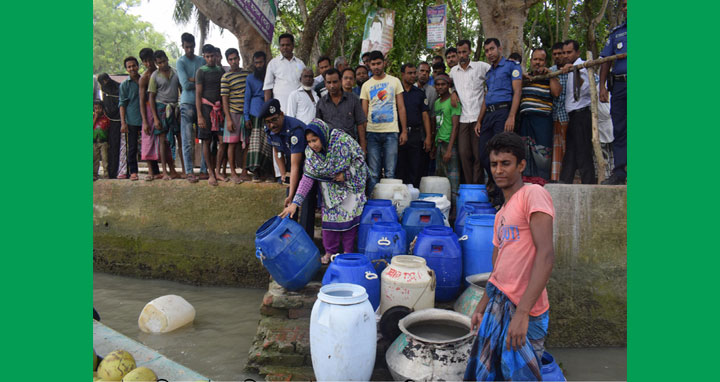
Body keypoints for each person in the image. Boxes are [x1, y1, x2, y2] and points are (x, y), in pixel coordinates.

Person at [464, 131, 555, 381]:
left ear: (521, 165)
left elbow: (546, 256)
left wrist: (522, 313)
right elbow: (498, 271)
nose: (499, 170)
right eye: (494, 164)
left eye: (506, 163)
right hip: (498, 305)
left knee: (522, 375)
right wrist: (481, 308)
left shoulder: (532, 195)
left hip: (527, 309)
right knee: (496, 374)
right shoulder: (500, 214)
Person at [279, 119, 368, 264]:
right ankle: (329, 252)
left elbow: (359, 158)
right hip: (329, 187)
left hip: (350, 183)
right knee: (328, 221)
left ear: (323, 135)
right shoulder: (311, 155)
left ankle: (347, 253)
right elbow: (307, 179)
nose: (312, 145)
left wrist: (345, 175)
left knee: (348, 221)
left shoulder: (342, 141)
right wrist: (295, 203)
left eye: (315, 140)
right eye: (309, 142)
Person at [474, 38, 523, 204]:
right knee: (483, 155)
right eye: (487, 51)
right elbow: (486, 98)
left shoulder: (512, 66)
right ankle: (496, 185)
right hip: (488, 115)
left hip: (503, 112)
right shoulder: (489, 73)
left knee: (501, 153)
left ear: (500, 49)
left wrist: (511, 116)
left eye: (492, 49)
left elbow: (517, 92)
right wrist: (479, 120)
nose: (489, 53)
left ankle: (503, 198)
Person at [260, 99, 315, 238]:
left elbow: (297, 165)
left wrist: (292, 195)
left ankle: (306, 239)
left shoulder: (295, 130)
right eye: (268, 122)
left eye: (275, 119)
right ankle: (291, 239)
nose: (272, 125)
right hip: (293, 164)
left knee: (305, 203)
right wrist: (283, 171)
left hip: (309, 165)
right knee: (290, 207)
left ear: (282, 115)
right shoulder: (270, 129)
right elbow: (276, 149)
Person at [360, 50, 408, 192]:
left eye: (378, 63)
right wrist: (364, 138)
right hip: (372, 133)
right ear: (369, 65)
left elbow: (401, 107)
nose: (376, 67)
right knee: (373, 173)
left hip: (391, 132)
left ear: (384, 63)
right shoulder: (366, 86)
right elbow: (364, 113)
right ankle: (375, 206)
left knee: (390, 173)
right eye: (373, 64)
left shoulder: (395, 81)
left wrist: (404, 131)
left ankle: (389, 205)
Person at [450, 39, 491, 185]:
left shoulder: (481, 67)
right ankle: (468, 186)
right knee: (463, 154)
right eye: (459, 52)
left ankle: (478, 187)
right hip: (462, 119)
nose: (462, 55)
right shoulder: (453, 71)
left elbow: (497, 73)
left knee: (478, 155)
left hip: (478, 118)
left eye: (464, 52)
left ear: (470, 52)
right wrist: (453, 92)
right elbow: (449, 85)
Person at [517, 48, 560, 182]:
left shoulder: (550, 77)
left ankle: (542, 180)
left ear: (545, 61)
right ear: (531, 61)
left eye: (541, 60)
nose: (538, 62)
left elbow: (557, 92)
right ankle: (527, 180)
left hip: (542, 121)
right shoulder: (526, 78)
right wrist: (522, 79)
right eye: (535, 59)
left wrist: (551, 75)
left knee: (542, 152)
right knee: (525, 152)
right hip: (525, 120)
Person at [559, 40, 596, 184]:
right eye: (564, 53)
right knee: (571, 152)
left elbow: (587, 89)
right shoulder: (569, 69)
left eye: (569, 52)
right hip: (573, 116)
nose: (566, 55)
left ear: (577, 53)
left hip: (582, 114)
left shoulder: (582, 67)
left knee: (583, 152)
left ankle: (589, 183)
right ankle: (565, 181)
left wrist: (575, 71)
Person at [599, 0, 627, 185]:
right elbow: (606, 60)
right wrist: (602, 85)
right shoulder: (617, 33)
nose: (625, 8)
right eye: (623, 5)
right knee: (620, 128)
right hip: (620, 86)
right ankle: (620, 172)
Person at [177, 32, 207, 183]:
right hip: (187, 103)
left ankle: (203, 170)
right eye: (186, 47)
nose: (189, 50)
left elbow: (205, 81)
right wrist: (198, 80)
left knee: (205, 138)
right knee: (187, 139)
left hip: (202, 104)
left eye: (191, 47)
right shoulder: (180, 62)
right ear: (182, 46)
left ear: (195, 46)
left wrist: (193, 80)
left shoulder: (202, 60)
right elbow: (185, 85)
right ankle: (189, 171)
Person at [148, 49, 182, 180]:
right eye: (159, 63)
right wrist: (155, 118)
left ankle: (183, 170)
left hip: (174, 108)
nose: (162, 64)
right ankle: (165, 171)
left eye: (164, 61)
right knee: (162, 141)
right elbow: (151, 97)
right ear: (156, 63)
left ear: (167, 59)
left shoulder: (175, 72)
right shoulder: (154, 76)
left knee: (179, 137)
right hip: (161, 108)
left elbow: (181, 89)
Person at [396, 63, 432, 187]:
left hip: (416, 135)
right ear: (402, 74)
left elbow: (425, 115)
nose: (413, 76)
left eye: (414, 73)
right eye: (409, 73)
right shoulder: (396, 92)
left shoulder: (419, 93)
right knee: (400, 168)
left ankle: (413, 196)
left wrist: (428, 137)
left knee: (415, 168)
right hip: (399, 134)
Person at [195, 43, 226, 186]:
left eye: (212, 56)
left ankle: (218, 171)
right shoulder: (201, 71)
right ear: (204, 57)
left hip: (219, 110)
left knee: (222, 141)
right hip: (206, 110)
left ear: (216, 55)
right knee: (206, 141)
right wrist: (200, 115)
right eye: (207, 57)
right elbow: (198, 94)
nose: (210, 59)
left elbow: (224, 93)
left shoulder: (220, 71)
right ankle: (211, 173)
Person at [221, 47, 252, 184]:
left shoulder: (247, 74)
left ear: (239, 58)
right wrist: (228, 119)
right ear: (227, 61)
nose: (233, 61)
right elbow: (224, 99)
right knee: (231, 145)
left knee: (247, 143)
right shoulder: (225, 77)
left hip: (246, 114)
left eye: (235, 58)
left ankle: (244, 171)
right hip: (232, 114)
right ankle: (233, 172)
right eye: (230, 59)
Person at [315, 68, 367, 148]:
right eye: (329, 82)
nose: (332, 86)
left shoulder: (353, 99)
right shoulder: (321, 103)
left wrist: (363, 147)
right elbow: (319, 127)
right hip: (330, 149)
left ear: (340, 81)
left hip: (350, 147)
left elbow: (360, 124)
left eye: (335, 82)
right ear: (325, 83)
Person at [244, 51, 275, 183]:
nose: (259, 65)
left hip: (269, 111)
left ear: (265, 62)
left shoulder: (271, 76)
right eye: (256, 63)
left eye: (261, 62)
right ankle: (256, 172)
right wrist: (246, 117)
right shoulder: (250, 78)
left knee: (268, 143)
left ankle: (268, 172)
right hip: (255, 112)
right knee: (256, 144)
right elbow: (247, 98)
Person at [433, 74, 461, 202]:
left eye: (443, 84)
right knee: (440, 179)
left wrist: (449, 149)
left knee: (453, 179)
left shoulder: (453, 101)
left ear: (448, 85)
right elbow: (437, 126)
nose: (440, 87)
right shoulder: (437, 103)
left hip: (449, 144)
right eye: (437, 85)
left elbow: (455, 126)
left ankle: (455, 209)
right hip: (439, 144)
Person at [263, 33, 305, 112]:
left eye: (288, 45)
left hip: (299, 107)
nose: (285, 47)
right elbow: (267, 88)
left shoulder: (300, 64)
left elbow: (305, 83)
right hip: (280, 108)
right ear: (279, 47)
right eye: (282, 45)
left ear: (293, 46)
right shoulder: (273, 63)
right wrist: (268, 110)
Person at [138, 48, 161, 181]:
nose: (148, 63)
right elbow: (141, 101)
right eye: (145, 62)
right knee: (148, 139)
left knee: (162, 140)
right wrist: (145, 121)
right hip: (148, 110)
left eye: (150, 60)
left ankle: (162, 170)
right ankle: (151, 171)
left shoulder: (160, 72)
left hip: (161, 108)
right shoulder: (144, 78)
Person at [119, 56, 143, 181]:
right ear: (126, 69)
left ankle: (154, 170)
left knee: (149, 145)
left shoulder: (144, 80)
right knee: (132, 147)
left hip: (146, 119)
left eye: (134, 65)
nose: (132, 68)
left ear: (138, 66)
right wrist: (123, 122)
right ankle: (133, 171)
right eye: (129, 67)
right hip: (131, 120)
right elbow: (122, 104)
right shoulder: (124, 84)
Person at [548, 42, 569, 182]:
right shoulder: (550, 70)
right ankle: (556, 179)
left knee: (569, 149)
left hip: (568, 115)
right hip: (554, 115)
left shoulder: (574, 68)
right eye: (554, 54)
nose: (557, 56)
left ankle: (568, 178)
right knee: (556, 150)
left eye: (560, 53)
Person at [97, 73, 123, 178]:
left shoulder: (118, 87)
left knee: (117, 147)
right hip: (107, 122)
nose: (105, 83)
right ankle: (109, 173)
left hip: (118, 120)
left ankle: (117, 171)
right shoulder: (104, 89)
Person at [93, 100, 110, 180]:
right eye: (95, 108)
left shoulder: (106, 118)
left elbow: (108, 129)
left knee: (105, 159)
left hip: (103, 142)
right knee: (95, 159)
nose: (97, 110)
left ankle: (106, 175)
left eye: (99, 108)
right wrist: (95, 118)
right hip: (94, 142)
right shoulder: (93, 118)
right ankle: (94, 174)